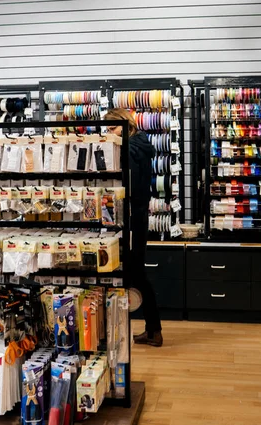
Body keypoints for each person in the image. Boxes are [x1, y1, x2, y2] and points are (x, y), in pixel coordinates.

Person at [104, 108, 163, 347]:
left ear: (125, 126)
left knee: (137, 273)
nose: (109, 134)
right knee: (136, 273)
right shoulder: (140, 146)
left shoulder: (130, 149)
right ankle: (152, 329)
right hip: (135, 218)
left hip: (131, 219)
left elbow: (130, 188)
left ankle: (153, 330)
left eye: (112, 129)